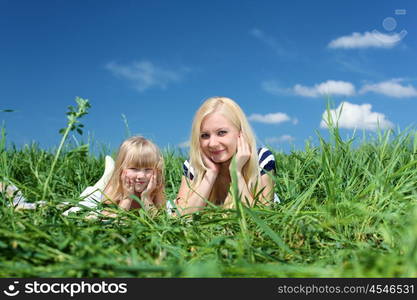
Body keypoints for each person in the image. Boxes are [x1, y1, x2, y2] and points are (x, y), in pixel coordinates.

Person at [174, 96, 278, 215]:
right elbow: (180, 217)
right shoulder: (193, 165)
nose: (212, 143)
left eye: (221, 133)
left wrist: (236, 172)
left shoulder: (262, 159)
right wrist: (211, 173)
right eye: (205, 135)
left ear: (240, 133)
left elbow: (261, 220)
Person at [63, 136, 165, 216]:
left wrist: (146, 197)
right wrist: (127, 198)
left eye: (148, 169)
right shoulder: (116, 186)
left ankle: (108, 174)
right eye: (134, 169)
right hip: (98, 196)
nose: (141, 175)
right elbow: (109, 219)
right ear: (121, 169)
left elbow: (159, 219)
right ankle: (107, 176)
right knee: (87, 197)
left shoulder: (156, 186)